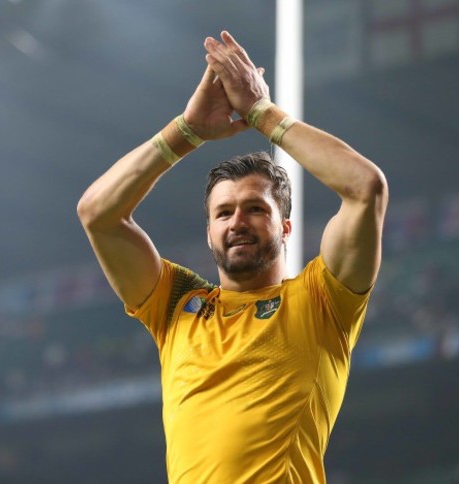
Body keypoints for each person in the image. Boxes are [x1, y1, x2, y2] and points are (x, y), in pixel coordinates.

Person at [77, 31, 388, 484]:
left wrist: (262, 114)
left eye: (256, 209)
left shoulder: (322, 301)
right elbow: (97, 214)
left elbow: (366, 188)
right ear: (209, 232)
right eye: (224, 212)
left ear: (284, 227)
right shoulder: (175, 306)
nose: (237, 221)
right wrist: (185, 132)